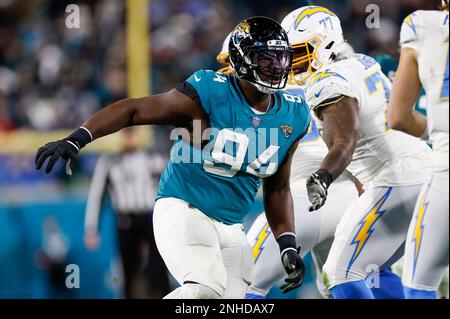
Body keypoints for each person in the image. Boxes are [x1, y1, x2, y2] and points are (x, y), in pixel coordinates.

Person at [35, 17, 311, 299]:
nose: (276, 67)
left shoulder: (294, 114)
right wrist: (78, 137)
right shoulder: (210, 90)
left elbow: (277, 187)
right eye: (264, 58)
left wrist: (287, 244)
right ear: (241, 59)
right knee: (204, 290)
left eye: (280, 57)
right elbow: (134, 110)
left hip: (231, 227)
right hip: (184, 208)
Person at [282, 5, 434, 299]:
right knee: (369, 268)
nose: (293, 63)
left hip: (397, 177)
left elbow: (345, 140)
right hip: (423, 172)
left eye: (300, 52)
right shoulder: (361, 63)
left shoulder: (327, 81)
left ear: (325, 45)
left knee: (338, 273)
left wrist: (324, 175)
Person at [214, 32, 360, 299]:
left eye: (232, 64)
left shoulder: (257, 100)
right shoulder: (318, 83)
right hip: (344, 194)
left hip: (302, 199)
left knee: (236, 286)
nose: (227, 72)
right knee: (341, 284)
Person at [387, 0, 449, 299]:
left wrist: (435, 130)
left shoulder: (423, 25)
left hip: (446, 169)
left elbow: (398, 117)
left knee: (418, 287)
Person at [84, 128, 170, 298]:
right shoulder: (109, 161)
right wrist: (91, 228)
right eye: (126, 133)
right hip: (126, 218)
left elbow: (171, 187)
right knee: (127, 267)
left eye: (133, 133)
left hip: (151, 217)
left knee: (159, 266)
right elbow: (97, 194)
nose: (130, 138)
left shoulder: (155, 158)